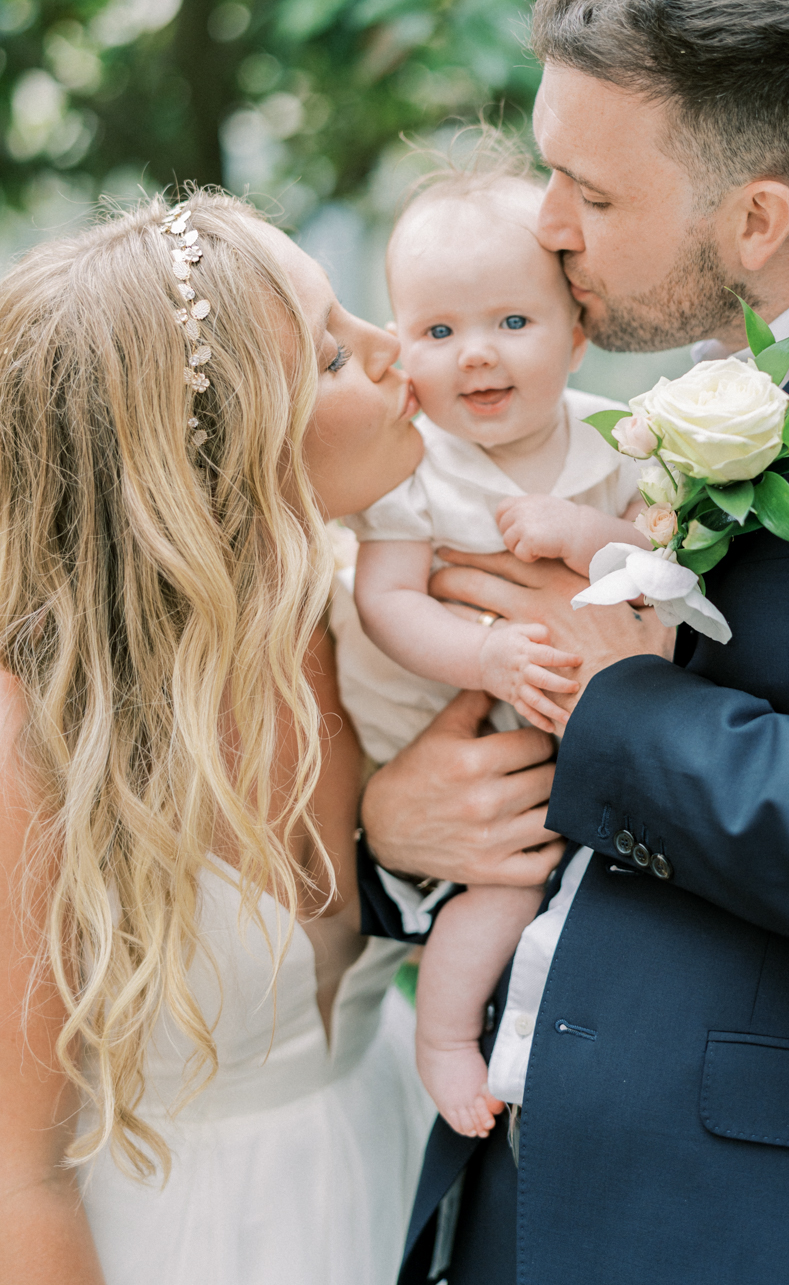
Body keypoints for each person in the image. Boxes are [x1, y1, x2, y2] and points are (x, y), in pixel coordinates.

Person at [355, 0, 789, 1285]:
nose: (546, 226)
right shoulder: (647, 401)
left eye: (591, 196)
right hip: (509, 1195)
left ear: (757, 215)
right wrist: (403, 837)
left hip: (758, 1238)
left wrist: (612, 705)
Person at [0, 188, 491, 1285]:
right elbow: (13, 1175)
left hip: (390, 1178)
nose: (391, 348)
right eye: (329, 358)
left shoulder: (383, 616)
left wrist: (385, 842)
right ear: (208, 465)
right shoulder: (36, 737)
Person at [340, 164, 644, 1140]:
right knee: (502, 883)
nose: (476, 356)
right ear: (400, 349)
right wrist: (485, 655)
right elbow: (385, 600)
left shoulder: (614, 445)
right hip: (456, 716)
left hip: (581, 718)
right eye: (438, 332)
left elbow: (655, 565)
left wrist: (587, 534)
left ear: (578, 329)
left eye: (512, 322)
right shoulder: (415, 469)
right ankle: (441, 1039)